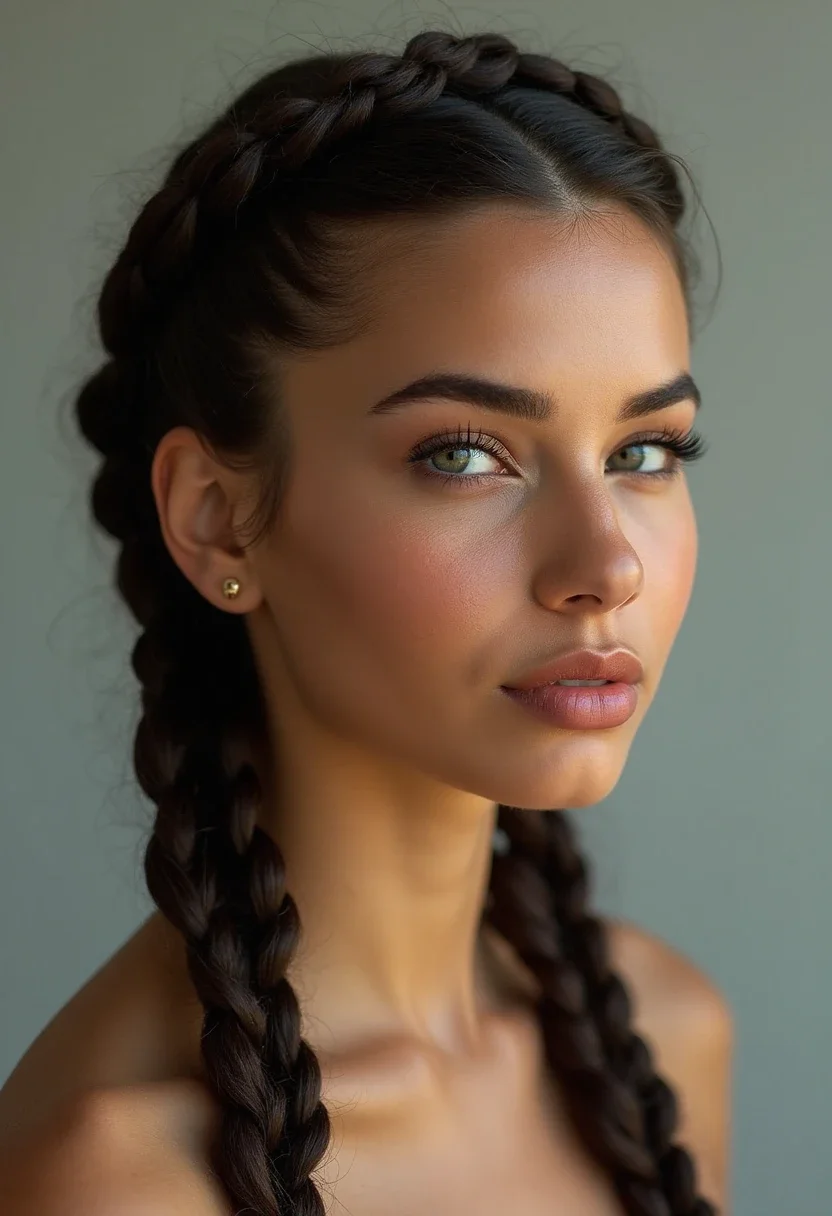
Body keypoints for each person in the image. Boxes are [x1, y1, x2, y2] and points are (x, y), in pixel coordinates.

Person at [0, 28, 732, 1216]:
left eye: (644, 450)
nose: (605, 565)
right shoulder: (112, 1178)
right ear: (219, 521)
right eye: (464, 454)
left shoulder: (666, 1043)